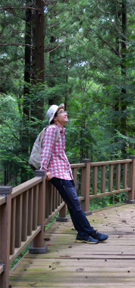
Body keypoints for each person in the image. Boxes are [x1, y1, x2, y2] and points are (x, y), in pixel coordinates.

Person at [40, 103, 108, 244]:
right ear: (55, 118)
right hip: (57, 174)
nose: (65, 113)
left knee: (73, 205)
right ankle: (90, 232)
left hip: (64, 172)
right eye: (61, 112)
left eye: (65, 111)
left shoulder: (60, 130)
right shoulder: (52, 129)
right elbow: (46, 150)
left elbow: (59, 153)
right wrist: (44, 170)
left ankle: (82, 234)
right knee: (76, 204)